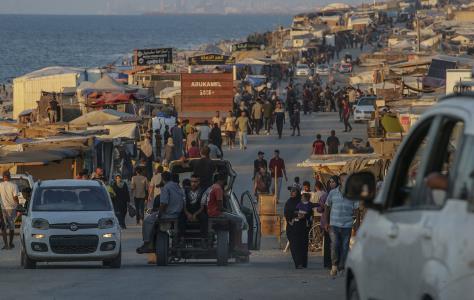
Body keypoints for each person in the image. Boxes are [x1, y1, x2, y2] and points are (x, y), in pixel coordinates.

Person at [136, 171, 185, 254]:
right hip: (178, 213)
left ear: (163, 179)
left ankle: (147, 243)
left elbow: (164, 203)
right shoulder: (177, 186)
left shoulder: (166, 188)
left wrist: (159, 214)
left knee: (147, 220)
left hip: (169, 213)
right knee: (151, 214)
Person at [324, 173, 360, 277]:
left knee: (344, 246)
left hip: (347, 224)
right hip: (334, 224)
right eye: (343, 180)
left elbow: (357, 210)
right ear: (339, 181)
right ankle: (334, 265)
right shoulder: (332, 193)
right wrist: (326, 222)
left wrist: (357, 225)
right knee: (335, 245)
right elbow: (327, 206)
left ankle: (341, 266)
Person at [206, 173, 249, 256]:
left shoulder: (211, 187)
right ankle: (237, 245)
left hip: (210, 212)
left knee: (233, 220)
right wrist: (228, 211)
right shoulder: (218, 188)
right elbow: (220, 207)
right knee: (239, 220)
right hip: (216, 213)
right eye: (225, 180)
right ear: (221, 180)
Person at [284, 188, 311, 269]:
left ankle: (303, 263)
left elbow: (309, 211)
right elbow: (286, 213)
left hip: (302, 226)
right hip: (292, 226)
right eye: (291, 191)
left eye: (294, 191)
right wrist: (291, 218)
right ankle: (298, 263)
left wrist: (304, 215)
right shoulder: (289, 202)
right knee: (294, 245)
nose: (292, 193)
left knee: (302, 245)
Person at [0, 171, 19, 250]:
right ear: (9, 177)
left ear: (3, 177)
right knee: (11, 227)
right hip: (12, 208)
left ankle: (6, 245)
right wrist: (18, 204)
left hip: (2, 208)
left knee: (3, 227)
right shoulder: (14, 185)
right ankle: (11, 244)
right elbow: (15, 197)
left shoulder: (0, 185)